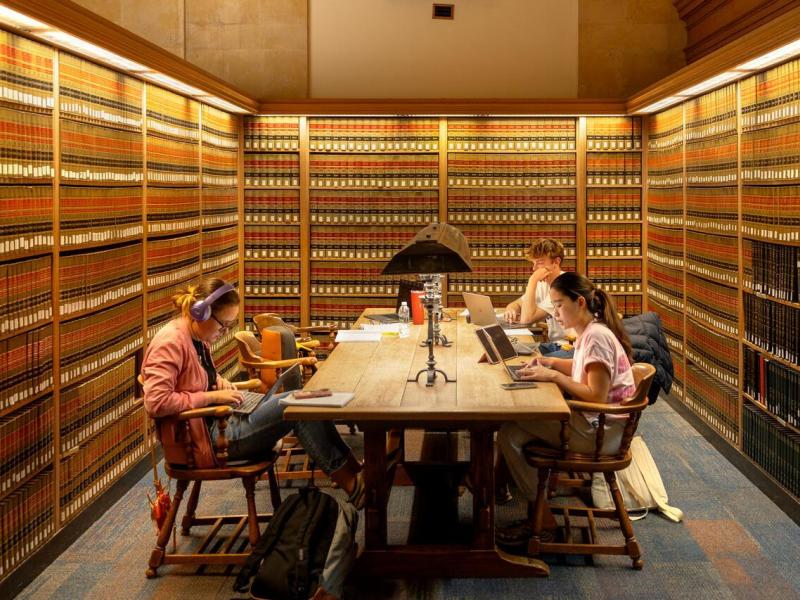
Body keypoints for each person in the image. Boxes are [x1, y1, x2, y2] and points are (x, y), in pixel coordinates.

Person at [141, 278, 365, 506]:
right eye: (224, 324)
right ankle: (352, 483)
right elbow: (156, 402)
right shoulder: (170, 343)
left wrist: (220, 382)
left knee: (305, 398)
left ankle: (353, 469)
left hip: (223, 419)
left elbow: (197, 375)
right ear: (201, 314)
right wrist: (211, 397)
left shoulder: (196, 336)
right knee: (295, 406)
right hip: (210, 439)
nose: (224, 331)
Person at [496, 272, 636, 545]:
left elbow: (596, 396)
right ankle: (512, 498)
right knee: (512, 432)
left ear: (580, 302)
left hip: (601, 432)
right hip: (600, 424)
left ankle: (541, 519)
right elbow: (583, 368)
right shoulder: (590, 331)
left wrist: (555, 378)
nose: (555, 313)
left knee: (509, 430)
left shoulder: (596, 337)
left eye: (559, 305)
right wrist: (550, 364)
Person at [502, 238, 574, 358]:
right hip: (556, 344)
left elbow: (527, 319)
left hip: (572, 347)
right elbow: (516, 304)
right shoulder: (544, 284)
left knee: (529, 363)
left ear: (556, 262)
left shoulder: (564, 285)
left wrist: (532, 280)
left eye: (539, 263)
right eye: (533, 263)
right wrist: (511, 310)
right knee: (511, 350)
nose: (534, 269)